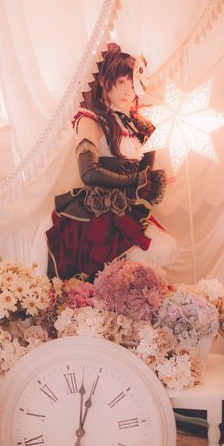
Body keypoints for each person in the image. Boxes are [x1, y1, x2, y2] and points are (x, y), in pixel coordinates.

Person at [45, 43, 178, 280]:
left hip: (128, 210)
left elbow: (143, 179)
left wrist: (153, 179)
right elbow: (88, 172)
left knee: (156, 255)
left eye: (132, 83)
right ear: (103, 81)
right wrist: (138, 179)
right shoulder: (89, 120)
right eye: (121, 82)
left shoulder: (133, 125)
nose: (128, 91)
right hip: (96, 212)